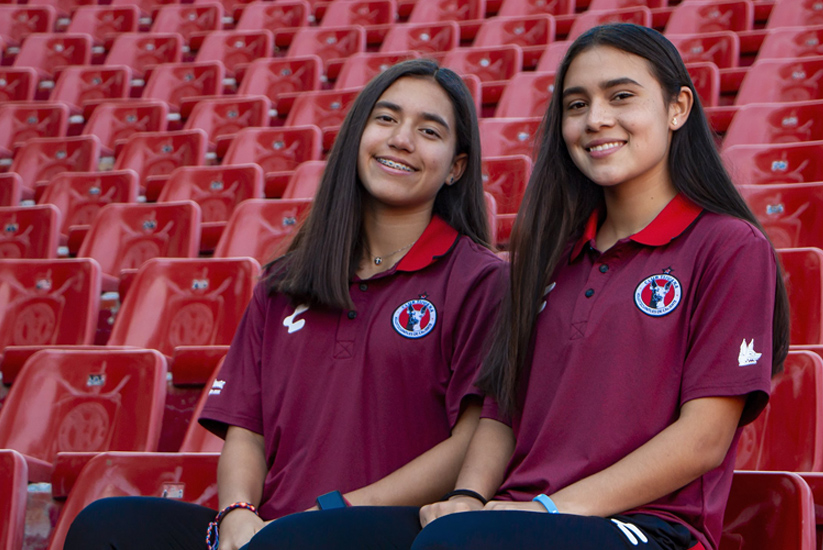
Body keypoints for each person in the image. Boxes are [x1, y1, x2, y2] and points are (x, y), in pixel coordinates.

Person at [247, 23, 790, 550]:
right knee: (298, 540)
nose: (596, 119)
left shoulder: (729, 245)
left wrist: (552, 510)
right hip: (517, 514)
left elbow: (704, 439)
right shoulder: (546, 259)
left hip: (646, 525)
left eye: (621, 96)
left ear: (678, 109)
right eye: (576, 105)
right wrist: (466, 495)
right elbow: (502, 411)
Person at [64, 58, 505, 550]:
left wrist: (335, 511)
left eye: (429, 130)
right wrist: (237, 513)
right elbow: (245, 431)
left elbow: (472, 440)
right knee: (106, 526)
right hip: (276, 528)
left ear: (456, 167)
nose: (401, 139)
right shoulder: (285, 281)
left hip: (385, 526)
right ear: (357, 135)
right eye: (386, 118)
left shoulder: (481, 280)